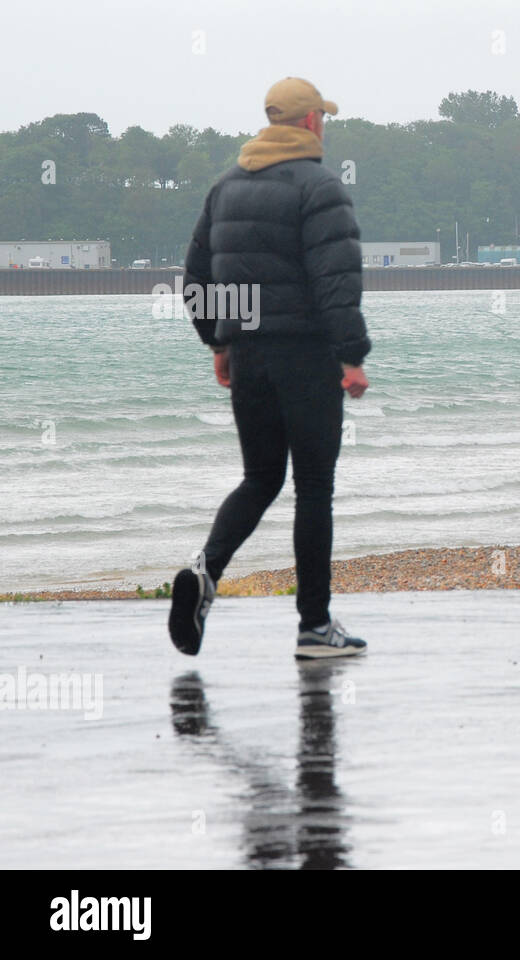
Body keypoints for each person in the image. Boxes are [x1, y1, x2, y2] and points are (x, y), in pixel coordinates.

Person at [169, 77, 371, 660]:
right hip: (306, 356)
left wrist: (220, 343)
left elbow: (196, 278)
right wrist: (351, 355)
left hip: (250, 358)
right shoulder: (320, 186)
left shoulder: (225, 187)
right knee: (313, 487)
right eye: (323, 120)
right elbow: (336, 281)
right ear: (310, 123)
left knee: (260, 477)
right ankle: (314, 628)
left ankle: (205, 573)